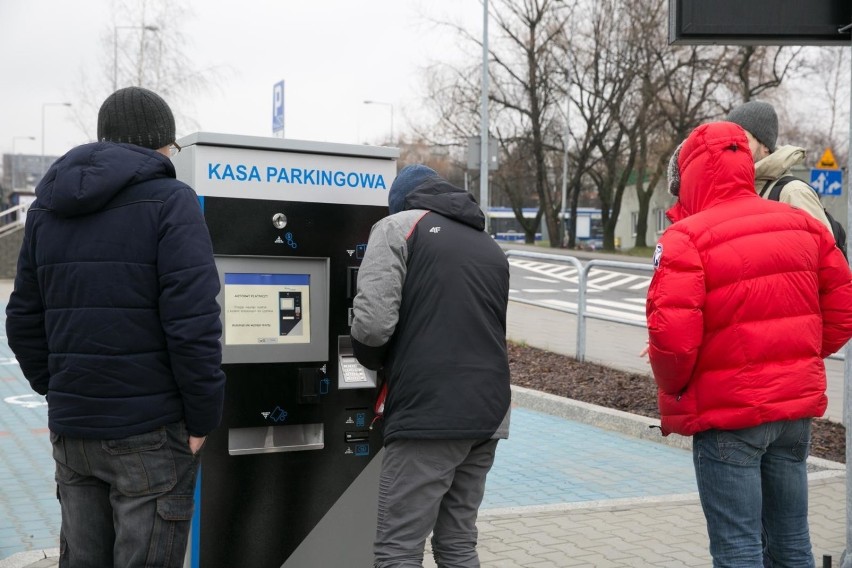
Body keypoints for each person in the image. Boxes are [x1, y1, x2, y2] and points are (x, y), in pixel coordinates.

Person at [6, 87, 226, 567]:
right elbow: (193, 324)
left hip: (73, 431)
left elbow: (21, 319)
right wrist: (203, 417)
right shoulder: (172, 201)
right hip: (150, 434)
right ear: (162, 144)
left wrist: (59, 389)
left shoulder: (46, 209)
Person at [645, 121, 852, 567]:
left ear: (693, 174)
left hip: (729, 413)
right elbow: (842, 307)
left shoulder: (686, 237)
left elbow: (672, 340)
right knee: (793, 541)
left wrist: (676, 388)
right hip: (793, 413)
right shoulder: (802, 225)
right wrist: (798, 358)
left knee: (738, 546)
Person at [351, 164, 511, 568]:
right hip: (490, 412)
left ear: (400, 202)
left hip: (430, 413)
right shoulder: (488, 243)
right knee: (457, 544)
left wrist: (374, 365)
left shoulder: (396, 228)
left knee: (398, 549)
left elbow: (371, 327)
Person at [726, 100, 833, 232]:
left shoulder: (793, 193)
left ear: (765, 145)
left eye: (743, 139)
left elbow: (825, 249)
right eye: (730, 141)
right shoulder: (731, 190)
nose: (735, 147)